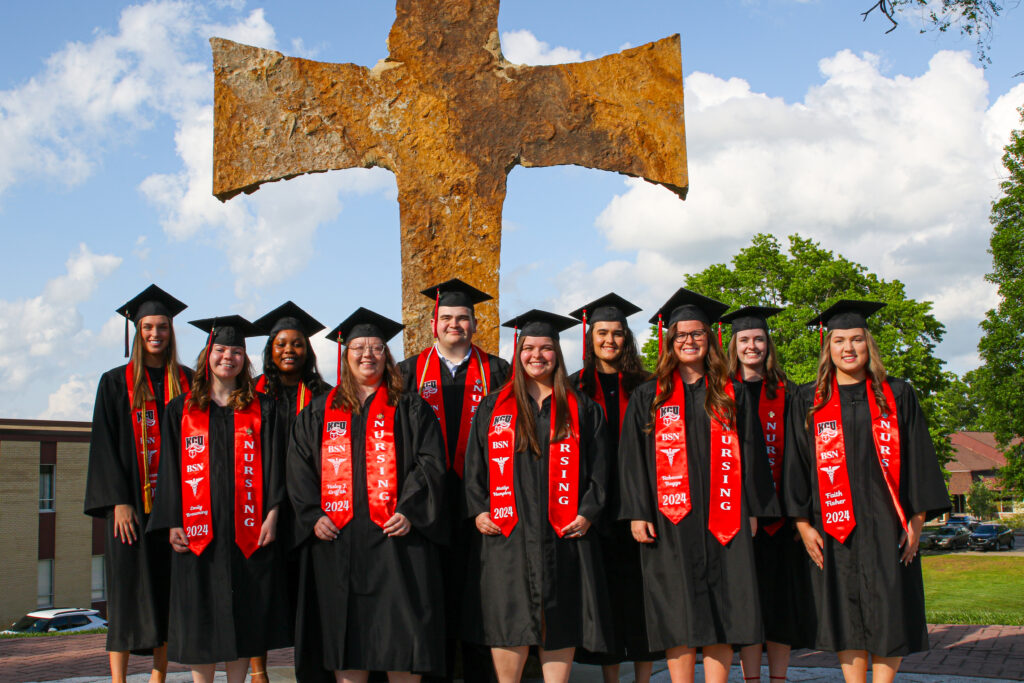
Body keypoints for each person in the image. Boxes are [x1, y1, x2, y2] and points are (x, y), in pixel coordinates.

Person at [784, 301, 950, 683]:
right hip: (833, 526)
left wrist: (918, 520)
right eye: (839, 340)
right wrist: (802, 523)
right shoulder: (809, 399)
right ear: (828, 348)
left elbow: (918, 456)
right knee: (846, 613)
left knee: (888, 611)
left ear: (868, 345)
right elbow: (796, 464)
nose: (848, 348)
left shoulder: (896, 394)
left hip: (886, 523)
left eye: (856, 339)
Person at [618, 289, 779, 683]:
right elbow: (632, 461)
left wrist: (756, 509)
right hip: (670, 520)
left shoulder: (732, 394)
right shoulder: (649, 397)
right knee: (678, 611)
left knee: (726, 610)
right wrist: (638, 512)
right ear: (670, 342)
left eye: (697, 334)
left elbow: (754, 454)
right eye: (681, 335)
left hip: (726, 516)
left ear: (710, 340)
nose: (689, 341)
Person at [287, 308, 449, 682]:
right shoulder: (319, 412)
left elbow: (430, 463)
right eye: (359, 347)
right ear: (346, 356)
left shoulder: (409, 408)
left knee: (402, 641)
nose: (368, 355)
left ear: (386, 355)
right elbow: (298, 469)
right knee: (347, 642)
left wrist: (410, 510)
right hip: (339, 544)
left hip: (397, 542)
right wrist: (312, 516)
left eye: (376, 348)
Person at [462, 310, 613, 683]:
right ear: (518, 353)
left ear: (558, 354)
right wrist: (479, 510)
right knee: (508, 618)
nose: (537, 355)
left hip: (564, 533)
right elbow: (474, 467)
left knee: (560, 616)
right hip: (507, 533)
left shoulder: (581, 407)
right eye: (529, 348)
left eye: (546, 348)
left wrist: (589, 512)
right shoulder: (493, 407)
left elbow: (600, 469)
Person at [148, 315, 290, 683]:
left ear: (246, 359)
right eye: (221, 350)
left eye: (237, 351)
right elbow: (170, 472)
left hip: (249, 532)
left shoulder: (264, 408)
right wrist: (173, 522)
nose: (228, 357)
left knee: (244, 617)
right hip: (200, 538)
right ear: (207, 355)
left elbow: (277, 465)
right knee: (201, 619)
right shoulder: (181, 410)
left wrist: (273, 514)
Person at [396, 278, 510, 683]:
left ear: (476, 324)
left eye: (463, 318)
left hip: (482, 500)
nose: (455, 324)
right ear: (433, 324)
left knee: (481, 594)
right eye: (447, 318)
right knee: (434, 592)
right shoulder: (408, 373)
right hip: (428, 503)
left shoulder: (498, 371)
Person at [85, 285, 192, 683]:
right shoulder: (114, 383)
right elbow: (105, 444)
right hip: (130, 507)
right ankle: (118, 679)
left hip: (176, 510)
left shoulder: (187, 380)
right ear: (136, 330)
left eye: (162, 326)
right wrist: (117, 501)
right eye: (148, 326)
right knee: (126, 595)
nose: (155, 334)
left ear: (171, 331)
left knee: (166, 594)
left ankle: (158, 677)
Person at [566, 293, 660, 683]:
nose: (610, 340)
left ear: (628, 339)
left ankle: (643, 678)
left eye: (617, 333)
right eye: (602, 332)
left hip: (641, 503)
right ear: (590, 337)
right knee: (602, 596)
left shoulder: (649, 385)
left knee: (643, 597)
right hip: (592, 506)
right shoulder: (573, 387)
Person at [721, 306, 808, 683]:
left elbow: (801, 455)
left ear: (768, 344)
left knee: (780, 603)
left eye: (758, 339)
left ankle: (779, 679)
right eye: (744, 340)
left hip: (784, 516)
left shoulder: (790, 394)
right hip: (736, 516)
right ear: (733, 346)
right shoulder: (721, 393)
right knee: (748, 603)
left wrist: (798, 511)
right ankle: (751, 678)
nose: (751, 346)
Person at [252, 301, 333, 683]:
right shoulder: (249, 396)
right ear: (270, 349)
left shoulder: (325, 396)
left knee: (308, 594)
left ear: (308, 350)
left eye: (298, 343)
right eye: (281, 343)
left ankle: (312, 669)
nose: (289, 350)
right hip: (261, 507)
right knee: (261, 591)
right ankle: (259, 672)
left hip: (308, 508)